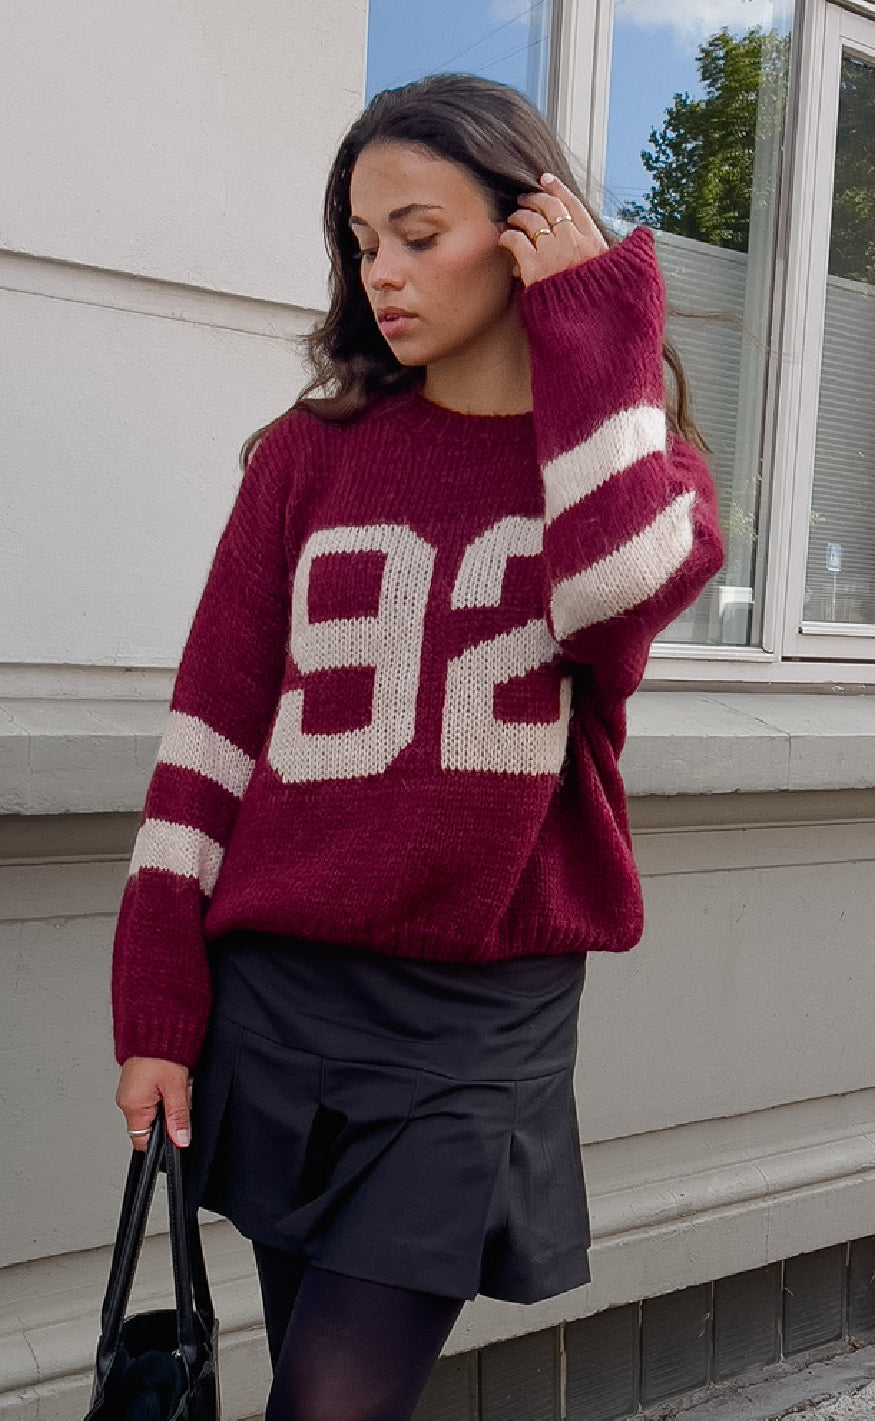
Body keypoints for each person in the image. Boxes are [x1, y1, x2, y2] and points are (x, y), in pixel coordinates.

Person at [112, 73, 724, 1421]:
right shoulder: (307, 457)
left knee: (332, 1405)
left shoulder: (645, 479)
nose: (380, 271)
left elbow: (615, 595)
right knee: (305, 1375)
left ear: (526, 232)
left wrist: (600, 323)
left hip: (473, 1021)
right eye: (360, 239)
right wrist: (156, 996)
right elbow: (212, 733)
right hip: (283, 996)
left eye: (419, 233)